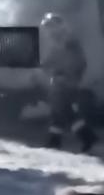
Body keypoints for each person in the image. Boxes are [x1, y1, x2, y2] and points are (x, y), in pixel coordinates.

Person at [41, 13, 97, 153]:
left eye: (49, 27)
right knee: (63, 111)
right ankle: (83, 137)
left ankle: (83, 137)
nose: (47, 30)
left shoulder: (68, 41)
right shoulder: (59, 41)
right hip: (62, 81)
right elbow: (52, 59)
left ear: (57, 27)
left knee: (61, 110)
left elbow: (76, 62)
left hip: (66, 82)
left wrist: (65, 75)